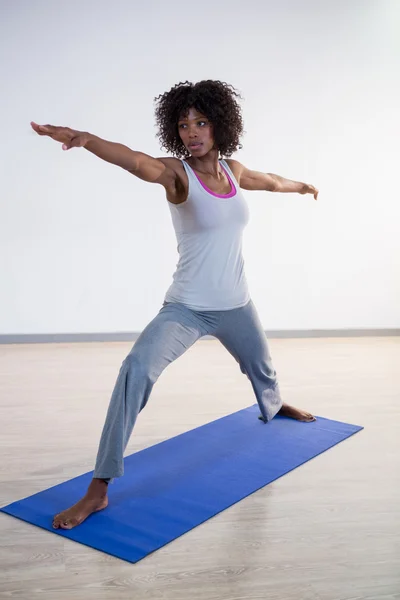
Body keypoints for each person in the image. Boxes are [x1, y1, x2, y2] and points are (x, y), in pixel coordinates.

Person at [31, 79, 319, 530]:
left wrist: (301, 186)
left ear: (220, 124)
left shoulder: (234, 171)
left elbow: (270, 181)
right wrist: (86, 141)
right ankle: (99, 487)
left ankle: (275, 403)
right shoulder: (176, 176)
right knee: (135, 371)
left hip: (236, 303)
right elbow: (137, 161)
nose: (192, 131)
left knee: (261, 365)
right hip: (187, 308)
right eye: (184, 124)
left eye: (201, 121)